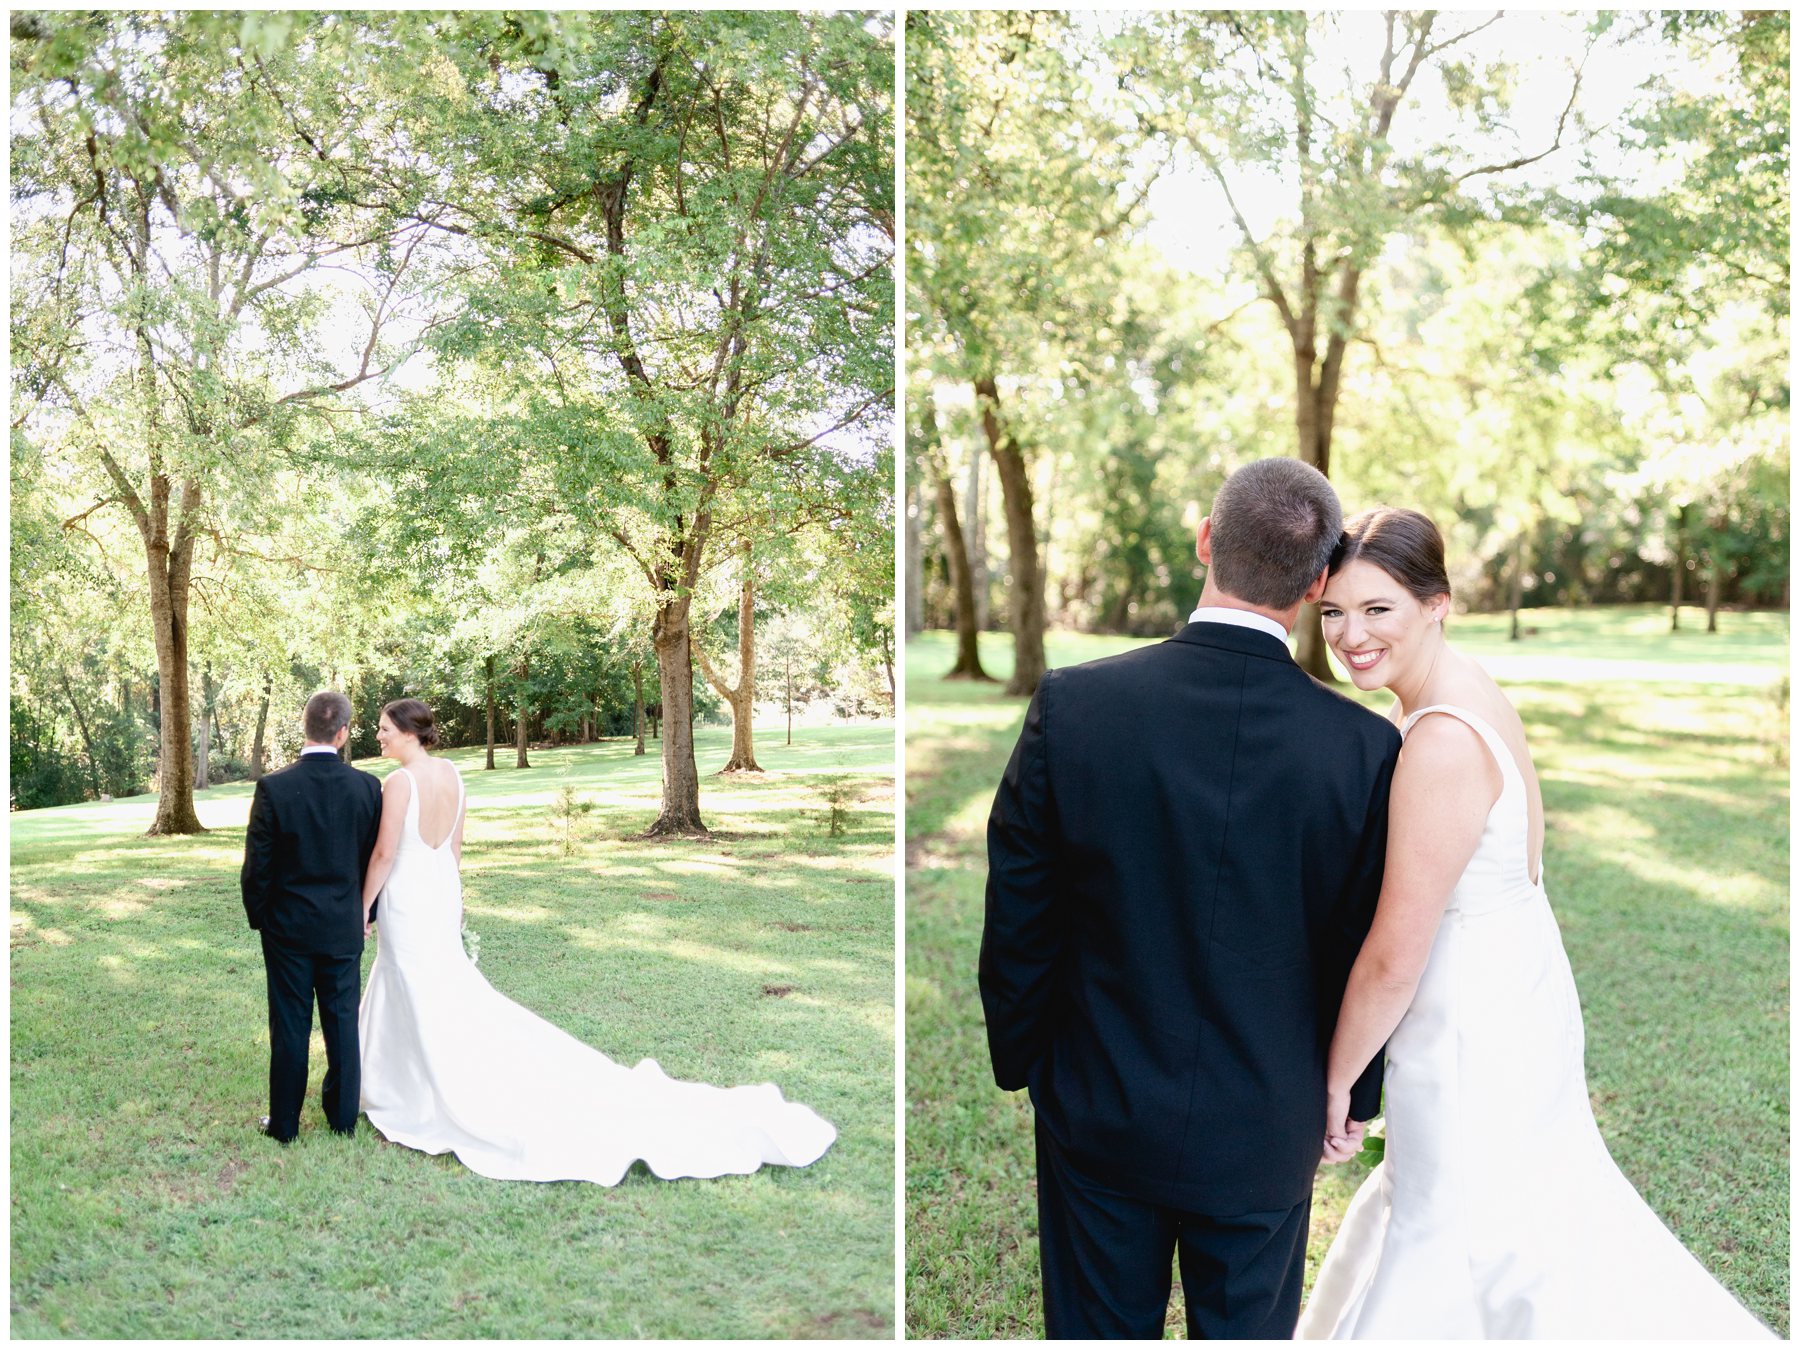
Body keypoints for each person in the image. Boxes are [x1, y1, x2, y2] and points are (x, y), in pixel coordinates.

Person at [1297, 507, 1773, 1340]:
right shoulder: (1463, 687)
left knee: (1468, 1226)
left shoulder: (1439, 740)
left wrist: (1336, 1079)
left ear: (1436, 603)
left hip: (1469, 1025)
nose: (1349, 634)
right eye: (1333, 610)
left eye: (1379, 610)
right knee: (1519, 1211)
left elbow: (1394, 956)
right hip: (1514, 987)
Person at [980, 458, 1401, 1339]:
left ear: (1206, 541)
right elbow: (1370, 941)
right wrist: (1351, 1098)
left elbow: (1021, 903)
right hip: (1266, 1123)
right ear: (1319, 580)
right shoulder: (1363, 750)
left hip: (1099, 1108)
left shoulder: (1077, 705)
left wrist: (1026, 1060)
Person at [356, 697, 837, 1183]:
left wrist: (362, 907)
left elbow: (384, 852)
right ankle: (403, 1078)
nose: (378, 737)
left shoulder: (398, 783)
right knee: (437, 987)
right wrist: (453, 901)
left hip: (408, 900)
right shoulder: (454, 777)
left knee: (415, 984)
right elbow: (454, 852)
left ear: (408, 732)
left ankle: (412, 1088)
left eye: (383, 729)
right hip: (438, 898)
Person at [240, 690, 383, 1142]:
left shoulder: (273, 787)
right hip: (343, 923)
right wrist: (366, 912)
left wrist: (262, 918)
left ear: (305, 727)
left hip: (288, 928)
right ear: (342, 733)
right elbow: (372, 858)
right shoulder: (366, 787)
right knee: (342, 1021)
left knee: (290, 1024)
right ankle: (342, 1119)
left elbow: (257, 865)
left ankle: (283, 1125)